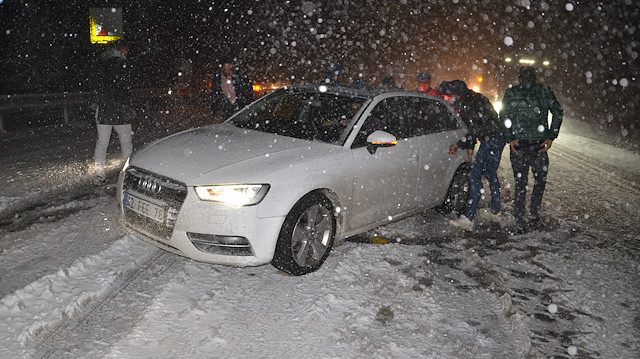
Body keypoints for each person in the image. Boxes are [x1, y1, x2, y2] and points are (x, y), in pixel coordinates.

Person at [500, 66, 563, 233]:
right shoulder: (544, 91)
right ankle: (534, 214)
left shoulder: (512, 93)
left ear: (520, 79)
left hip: (519, 144)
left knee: (520, 183)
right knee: (539, 181)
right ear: (535, 79)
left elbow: (504, 115)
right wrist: (551, 136)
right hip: (539, 144)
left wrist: (510, 137)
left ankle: (520, 218)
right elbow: (558, 112)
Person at [444, 80, 505, 231]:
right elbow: (482, 123)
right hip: (499, 137)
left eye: (453, 95)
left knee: (474, 176)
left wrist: (458, 145)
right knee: (491, 173)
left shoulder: (467, 104)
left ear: (457, 94)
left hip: (489, 140)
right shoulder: (477, 97)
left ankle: (469, 218)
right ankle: (496, 211)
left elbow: (473, 130)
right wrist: (469, 148)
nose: (453, 98)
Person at [93, 41, 135, 183]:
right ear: (122, 49)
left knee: (102, 142)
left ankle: (99, 173)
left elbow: (97, 86)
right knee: (125, 139)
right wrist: (128, 106)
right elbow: (124, 90)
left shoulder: (100, 63)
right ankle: (126, 171)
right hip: (118, 109)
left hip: (104, 109)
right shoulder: (121, 64)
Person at [210, 57, 253, 123]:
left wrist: (248, 107)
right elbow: (214, 97)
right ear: (222, 68)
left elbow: (248, 92)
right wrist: (214, 112)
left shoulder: (240, 77)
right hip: (226, 111)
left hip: (241, 109)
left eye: (230, 69)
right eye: (225, 69)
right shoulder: (217, 80)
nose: (228, 72)